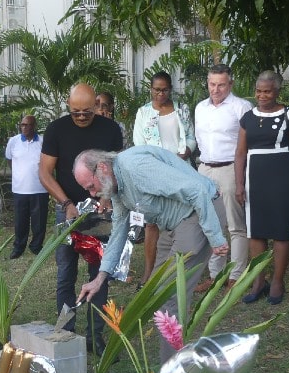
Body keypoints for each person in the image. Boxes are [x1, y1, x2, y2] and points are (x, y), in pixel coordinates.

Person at [74, 147, 228, 361]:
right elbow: (119, 230)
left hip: (200, 213)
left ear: (101, 168)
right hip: (174, 223)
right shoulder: (115, 184)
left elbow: (196, 190)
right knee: (155, 293)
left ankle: (174, 372)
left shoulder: (135, 168)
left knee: (170, 296)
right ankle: (175, 361)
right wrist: (100, 278)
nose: (92, 194)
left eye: (91, 187)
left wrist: (215, 237)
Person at [39, 83, 123, 355]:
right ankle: (66, 332)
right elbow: (44, 172)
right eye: (76, 112)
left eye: (87, 112)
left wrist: (108, 197)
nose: (81, 117)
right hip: (67, 209)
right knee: (66, 273)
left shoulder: (110, 130)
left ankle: (94, 336)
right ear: (68, 104)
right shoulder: (56, 130)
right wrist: (65, 203)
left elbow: (117, 168)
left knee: (99, 274)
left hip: (100, 211)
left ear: (97, 105)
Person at [235, 71, 289, 305]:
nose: (262, 95)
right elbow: (240, 153)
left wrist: (285, 169)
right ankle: (258, 280)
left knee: (281, 230)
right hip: (254, 178)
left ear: (277, 92)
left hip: (282, 179)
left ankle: (277, 281)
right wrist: (239, 184)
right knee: (256, 231)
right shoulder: (248, 117)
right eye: (259, 91)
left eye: (267, 91)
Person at [132, 71, 197, 287]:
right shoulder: (143, 113)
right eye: (156, 89)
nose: (160, 93)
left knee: (181, 221)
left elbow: (190, 136)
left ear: (171, 89)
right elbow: (139, 144)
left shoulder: (181, 109)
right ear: (150, 89)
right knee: (152, 224)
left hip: (180, 171)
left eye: (165, 89)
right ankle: (149, 273)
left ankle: (174, 270)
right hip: (154, 174)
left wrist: (185, 152)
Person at [194, 64, 253, 292]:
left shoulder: (241, 107)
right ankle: (215, 275)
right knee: (210, 224)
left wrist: (241, 178)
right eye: (212, 84)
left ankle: (236, 276)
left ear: (230, 84)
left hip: (230, 168)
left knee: (235, 225)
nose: (216, 89)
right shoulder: (201, 108)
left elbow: (247, 144)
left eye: (221, 84)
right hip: (205, 170)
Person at [5, 114, 49, 259]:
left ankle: (36, 246)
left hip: (40, 189)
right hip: (20, 189)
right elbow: (9, 160)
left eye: (27, 125)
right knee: (20, 221)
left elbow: (48, 162)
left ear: (34, 126)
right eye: (22, 124)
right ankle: (19, 247)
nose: (24, 127)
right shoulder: (13, 141)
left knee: (39, 221)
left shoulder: (43, 141)